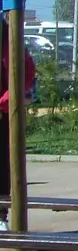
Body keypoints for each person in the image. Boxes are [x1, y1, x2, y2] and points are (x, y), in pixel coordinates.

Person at [0, 17, 36, 231]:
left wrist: (5, 101)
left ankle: (1, 215)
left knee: (2, 165)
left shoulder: (8, 33)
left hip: (2, 112)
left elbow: (24, 72)